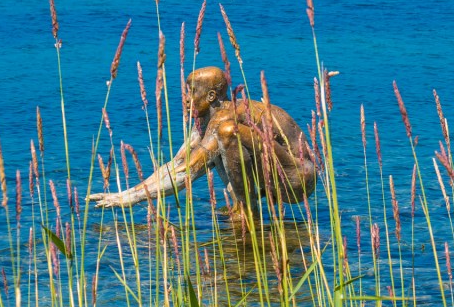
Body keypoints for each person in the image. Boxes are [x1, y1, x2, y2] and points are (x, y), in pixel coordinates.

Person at [87, 66, 316, 222]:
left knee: (227, 135)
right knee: (219, 145)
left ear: (211, 96)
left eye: (192, 91)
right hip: (275, 170)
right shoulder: (207, 121)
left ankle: (248, 212)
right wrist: (125, 193)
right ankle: (242, 206)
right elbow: (176, 164)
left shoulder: (226, 117)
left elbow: (188, 172)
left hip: (296, 176)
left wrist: (131, 199)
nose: (185, 98)